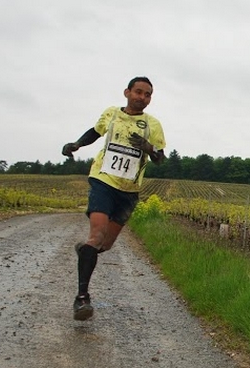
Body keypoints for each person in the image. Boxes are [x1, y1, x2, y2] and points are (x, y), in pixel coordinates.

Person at [61, 76, 166, 320]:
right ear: (127, 92)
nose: (142, 97)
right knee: (96, 235)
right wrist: (76, 144)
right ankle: (82, 299)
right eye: (138, 92)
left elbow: (160, 158)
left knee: (104, 245)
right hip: (103, 180)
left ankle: (86, 252)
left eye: (147, 94)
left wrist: (148, 148)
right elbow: (95, 133)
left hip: (129, 190)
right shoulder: (112, 114)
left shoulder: (153, 125)